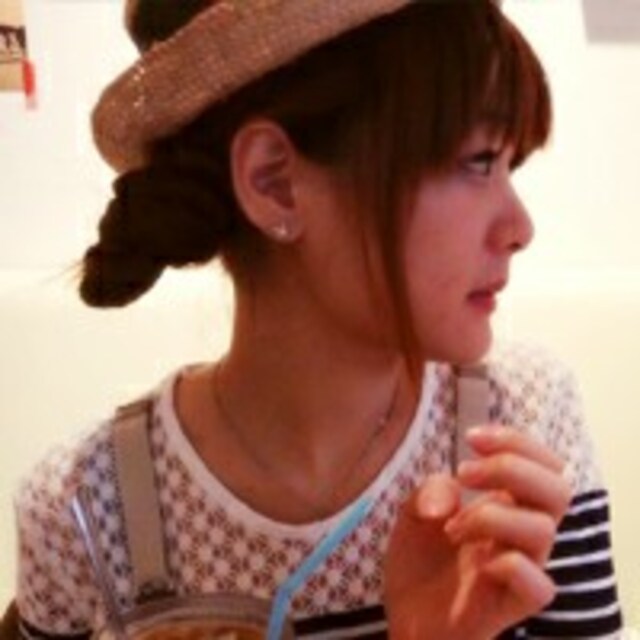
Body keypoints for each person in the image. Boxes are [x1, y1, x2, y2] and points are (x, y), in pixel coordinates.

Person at [12, 1, 623, 638]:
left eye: (509, 166)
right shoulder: (84, 510)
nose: (521, 228)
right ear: (274, 181)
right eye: (478, 162)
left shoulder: (519, 430)